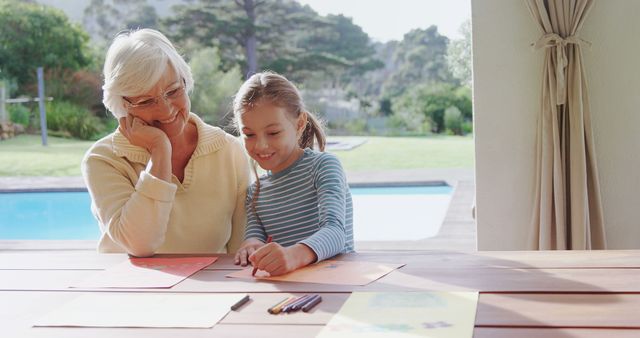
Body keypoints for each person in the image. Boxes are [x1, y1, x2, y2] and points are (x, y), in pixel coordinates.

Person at [82, 29, 249, 257]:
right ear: (122, 104)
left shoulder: (228, 150)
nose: (166, 109)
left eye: (173, 91)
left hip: (213, 290)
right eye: (146, 100)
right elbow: (139, 244)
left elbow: (241, 249)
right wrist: (160, 151)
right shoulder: (103, 159)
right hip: (132, 290)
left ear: (185, 81)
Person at [232, 71, 354, 276]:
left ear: (299, 124)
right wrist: (251, 246)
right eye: (249, 134)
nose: (261, 145)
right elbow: (254, 237)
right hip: (290, 290)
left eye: (273, 133)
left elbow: (335, 232)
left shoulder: (323, 166)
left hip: (337, 282)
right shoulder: (255, 191)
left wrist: (293, 255)